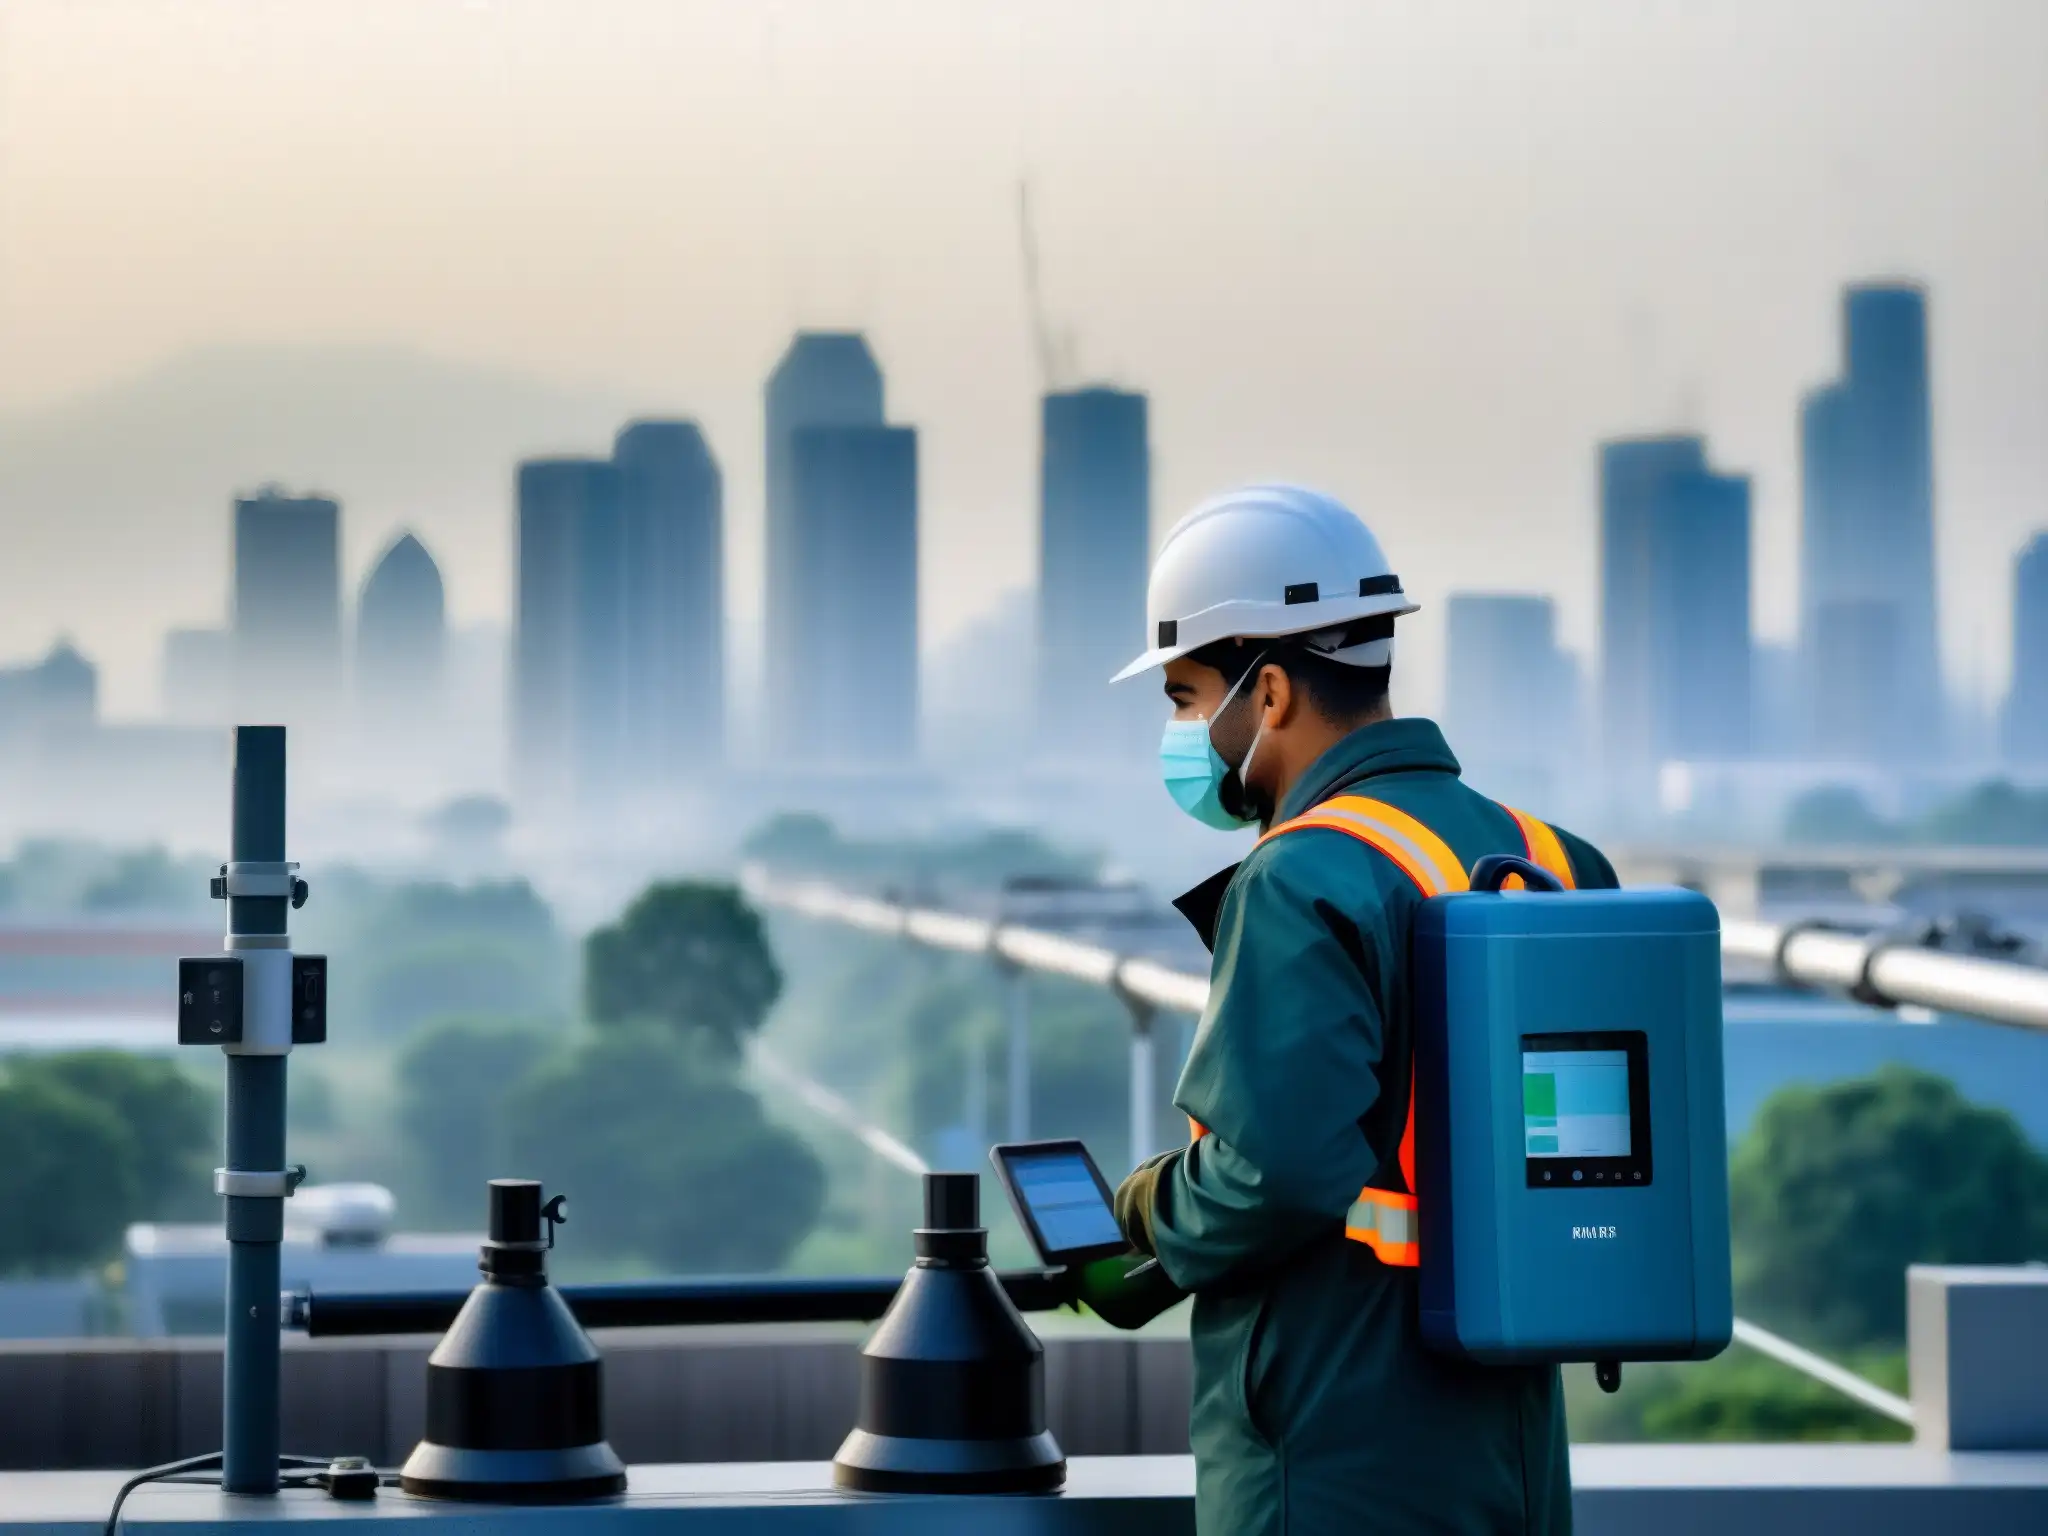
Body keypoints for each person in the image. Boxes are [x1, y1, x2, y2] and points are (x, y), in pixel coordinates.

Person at [1108, 484, 1616, 1536]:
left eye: (1187, 696)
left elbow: (1274, 1175)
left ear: (1274, 692)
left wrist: (1150, 1207)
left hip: (1335, 1455)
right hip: (1505, 1448)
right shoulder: (1557, 861)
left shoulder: (1302, 877)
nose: (1184, 730)